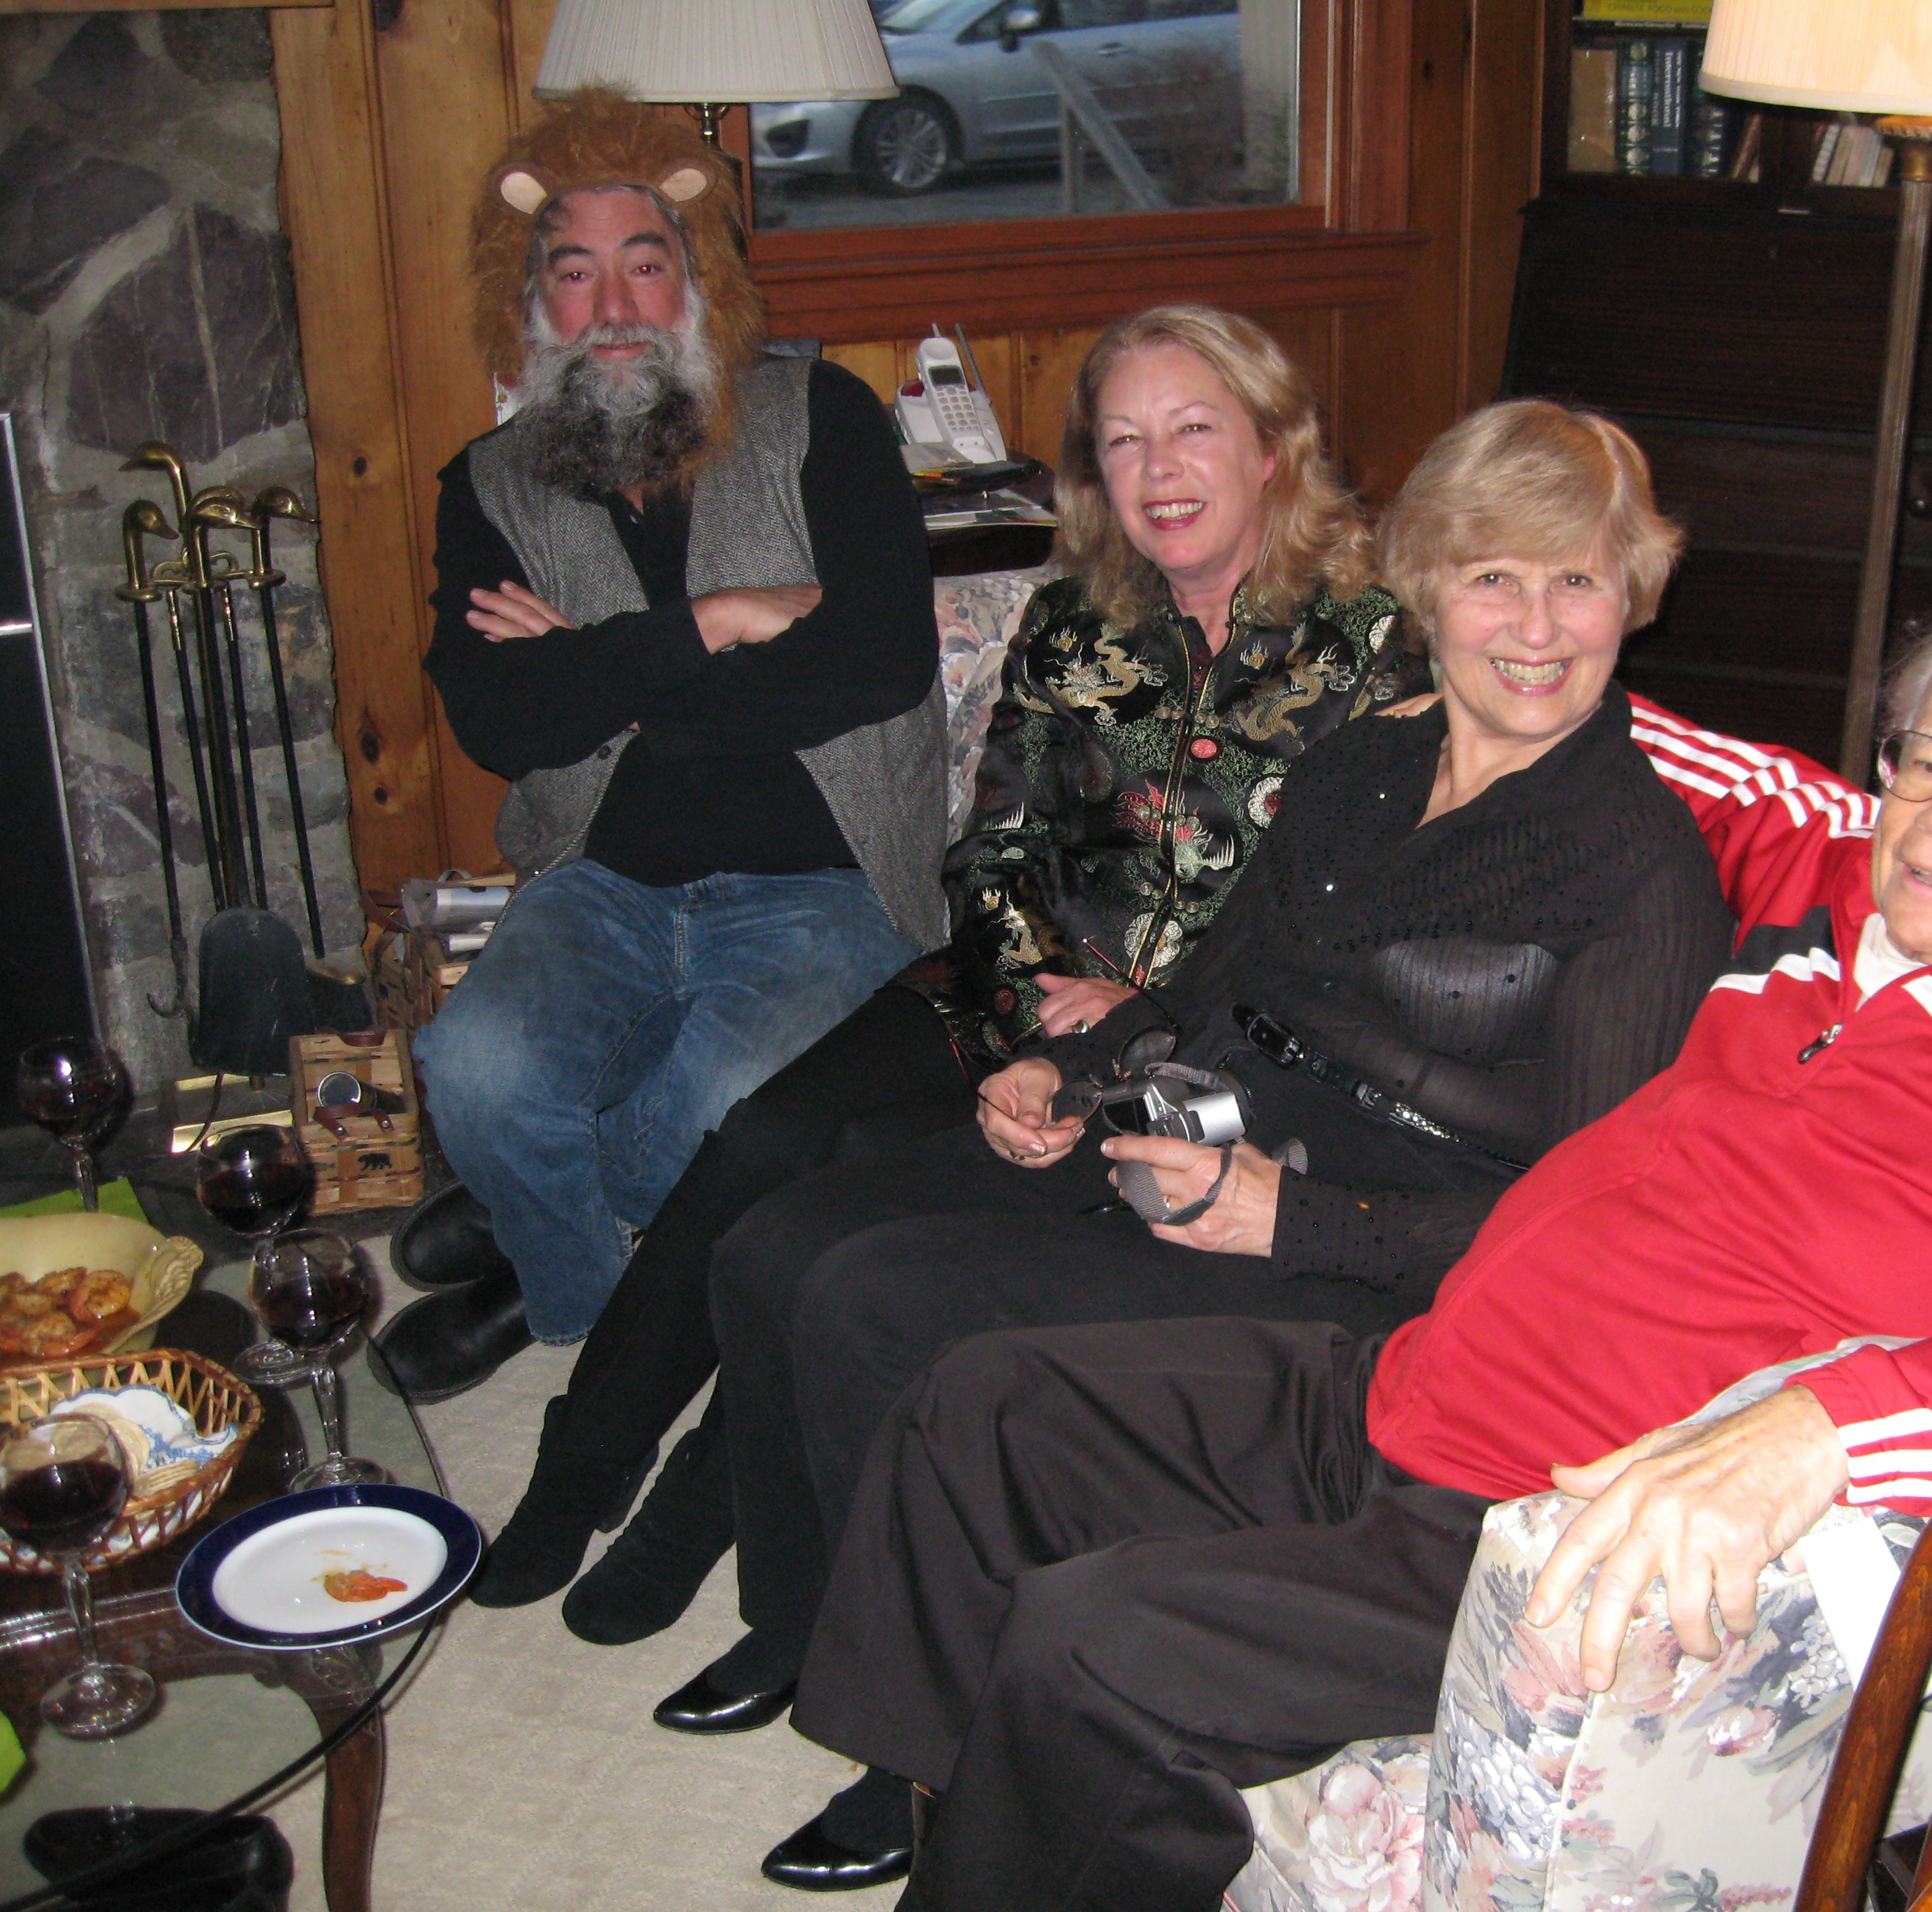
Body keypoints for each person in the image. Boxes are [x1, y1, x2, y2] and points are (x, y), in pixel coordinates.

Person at [783, 602, 1932, 1909]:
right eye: (1931, 762)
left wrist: (1812, 1439)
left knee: (1097, 1646)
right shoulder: (1842, 888)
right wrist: (1469, 631)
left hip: (1530, 1526)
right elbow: (1623, 715)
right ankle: (969, 1827)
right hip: (1402, 1385)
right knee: (982, 1412)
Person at [704, 397, 1736, 1892]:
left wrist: (1291, 1222)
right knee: (794, 1242)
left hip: (1382, 1251)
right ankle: (870, 1673)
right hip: (1206, 1112)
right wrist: (1073, 1069)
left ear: (1630, 596)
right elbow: (1217, 975)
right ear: (1430, 589)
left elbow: (1583, 1228)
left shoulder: (1639, 867)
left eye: (1575, 580)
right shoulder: (1365, 763)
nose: (1533, 626)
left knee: (886, 1307)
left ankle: (928, 1767)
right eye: (1493, 578)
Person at [467, 304, 1421, 1628]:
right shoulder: (1075, 620)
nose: (1158, 470)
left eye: (1194, 429)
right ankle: (580, 1463)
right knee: (760, 1141)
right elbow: (997, 840)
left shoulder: (1379, 649)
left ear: (1272, 448)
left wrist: (1142, 1014)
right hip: (1005, 989)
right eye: (1124, 440)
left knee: (860, 1197)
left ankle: (707, 1495)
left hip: (1203, 1050)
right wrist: (1031, 999)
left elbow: (1347, 916)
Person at [381, 92, 946, 1401]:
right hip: (605, 875)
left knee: (714, 1103)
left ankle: (540, 1243)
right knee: (471, 1071)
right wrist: (720, 621)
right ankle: (578, 1287)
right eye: (574, 273)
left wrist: (607, 672)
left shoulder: (823, 416)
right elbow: (500, 721)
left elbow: (879, 660)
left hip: (831, 879)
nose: (615, 307)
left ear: (699, 285)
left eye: (646, 265)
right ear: (532, 302)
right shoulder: (490, 482)